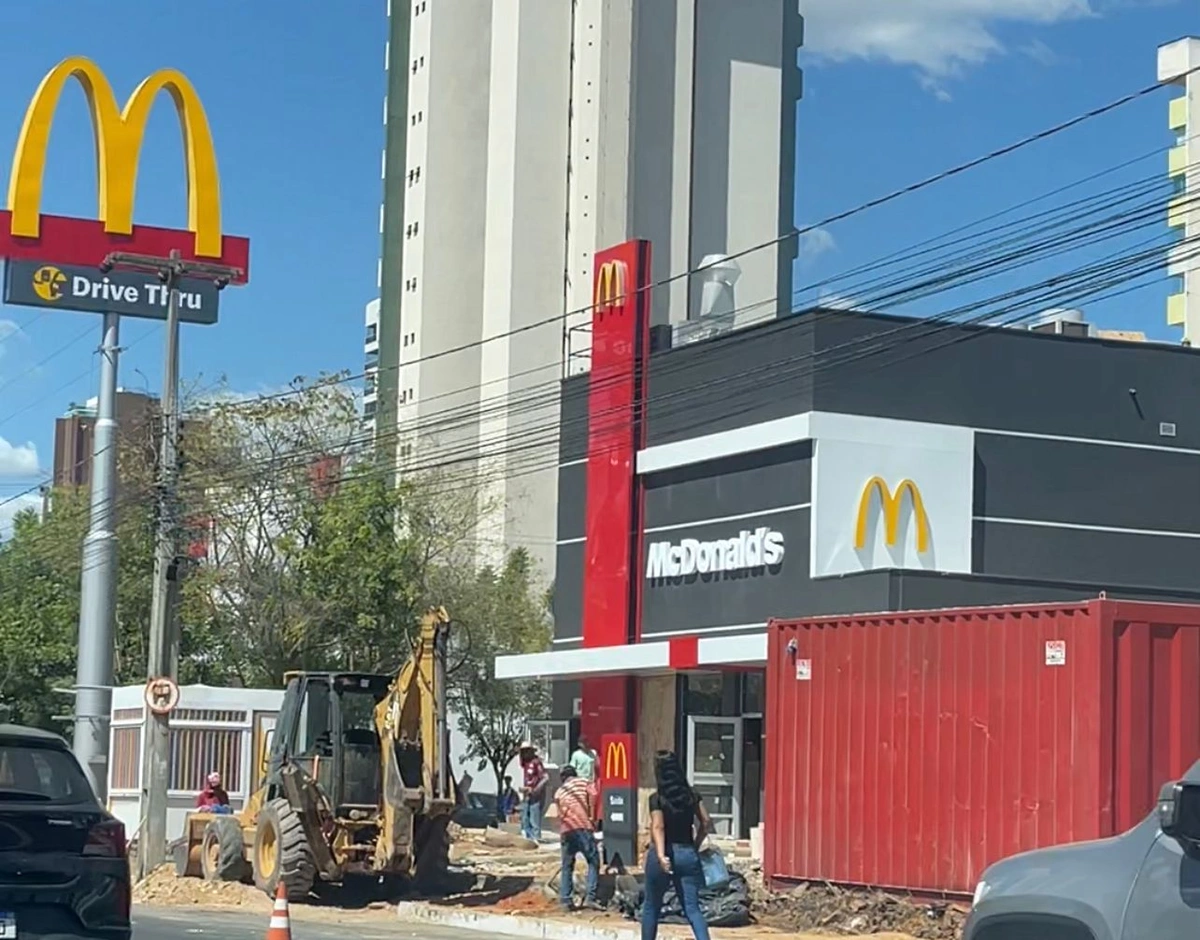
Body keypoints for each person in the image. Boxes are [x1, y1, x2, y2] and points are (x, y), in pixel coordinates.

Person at [641, 750, 712, 940]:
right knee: (692, 908)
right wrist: (695, 845)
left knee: (651, 907)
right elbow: (706, 822)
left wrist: (662, 856)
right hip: (687, 853)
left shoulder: (656, 798)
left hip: (663, 853)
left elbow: (658, 826)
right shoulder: (692, 796)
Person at [553, 765, 600, 911]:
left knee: (567, 865)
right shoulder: (584, 782)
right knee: (593, 861)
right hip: (583, 827)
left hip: (566, 830)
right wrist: (592, 817)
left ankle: (566, 900)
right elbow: (593, 795)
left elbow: (559, 813)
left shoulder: (560, 791)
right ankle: (590, 897)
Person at [519, 742, 548, 840]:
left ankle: (536, 838)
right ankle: (528, 838)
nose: (524, 753)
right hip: (527, 794)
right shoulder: (525, 763)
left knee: (534, 818)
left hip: (535, 795)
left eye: (526, 751)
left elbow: (545, 778)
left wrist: (535, 790)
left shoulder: (536, 762)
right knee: (525, 818)